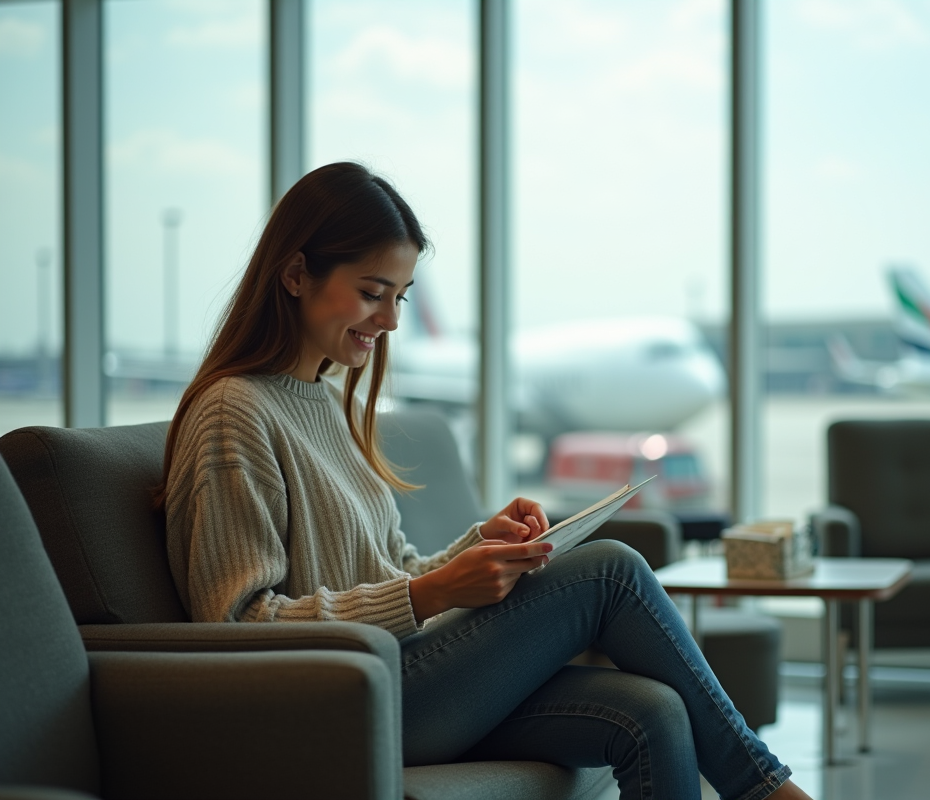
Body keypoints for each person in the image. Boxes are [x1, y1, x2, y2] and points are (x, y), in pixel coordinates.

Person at [160, 162, 814, 800]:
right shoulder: (234, 412)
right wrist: (432, 592)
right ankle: (765, 789)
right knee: (610, 570)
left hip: (395, 674)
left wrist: (475, 552)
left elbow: (391, 572)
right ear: (298, 274)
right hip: (340, 700)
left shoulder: (324, 402)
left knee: (653, 710)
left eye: (400, 296)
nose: (389, 320)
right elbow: (237, 623)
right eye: (372, 291)